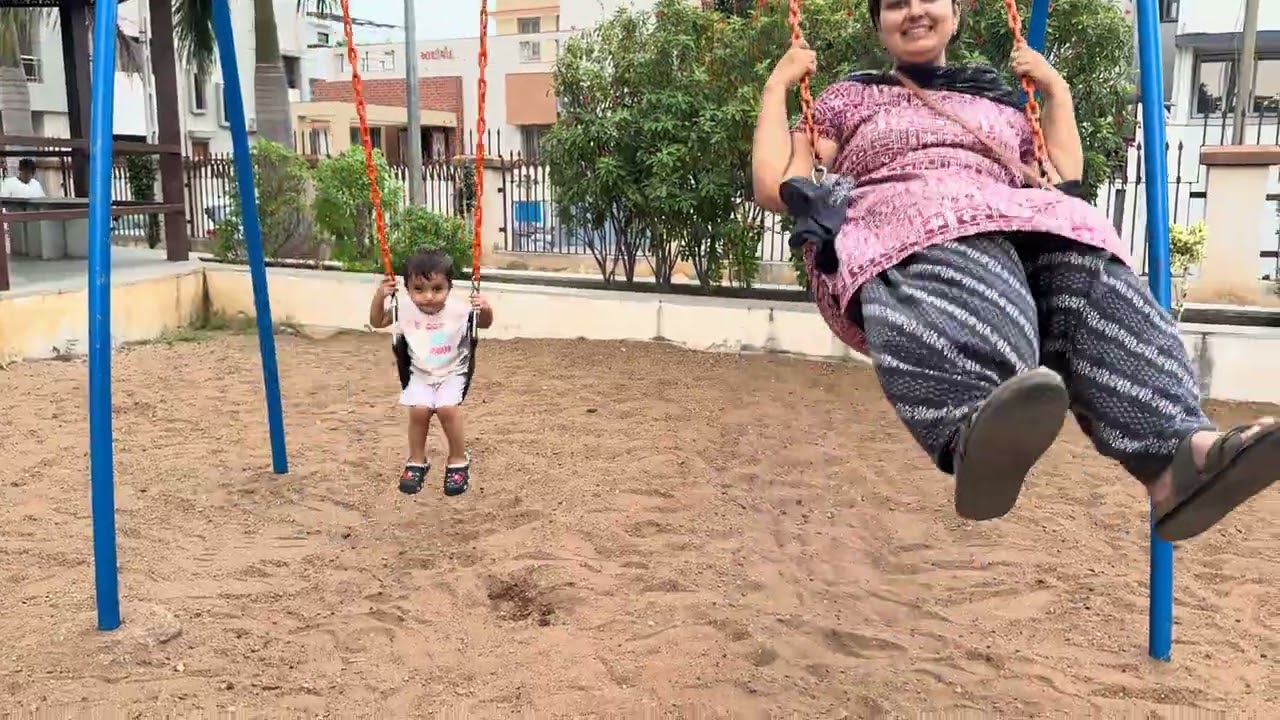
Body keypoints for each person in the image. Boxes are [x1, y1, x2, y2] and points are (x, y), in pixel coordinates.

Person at [751, 0, 1279, 543]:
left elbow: (1060, 175)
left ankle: (1178, 458)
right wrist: (777, 88)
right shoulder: (848, 99)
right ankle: (971, 426)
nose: (912, 12)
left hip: (1009, 217)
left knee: (1081, 259)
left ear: (956, 14)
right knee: (958, 253)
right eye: (894, 4)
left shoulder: (1001, 104)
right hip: (901, 220)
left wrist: (1057, 91)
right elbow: (777, 186)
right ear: (879, 26)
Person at [369, 249, 493, 497]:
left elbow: (484, 323)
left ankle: (458, 460)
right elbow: (376, 321)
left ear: (449, 287)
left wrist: (486, 308)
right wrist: (379, 295)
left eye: (437, 289)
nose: (428, 297)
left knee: (448, 409)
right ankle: (417, 461)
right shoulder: (403, 308)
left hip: (452, 372)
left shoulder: (459, 310)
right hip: (420, 373)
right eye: (419, 289)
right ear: (407, 288)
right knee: (419, 410)